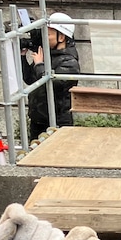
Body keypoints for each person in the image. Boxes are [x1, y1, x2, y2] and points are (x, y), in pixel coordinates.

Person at [24, 11, 80, 143]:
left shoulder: (70, 62)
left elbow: (51, 83)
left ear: (62, 37)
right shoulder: (47, 56)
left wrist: (39, 64)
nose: (45, 38)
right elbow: (30, 79)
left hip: (58, 121)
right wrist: (23, 56)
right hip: (38, 119)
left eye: (48, 34)